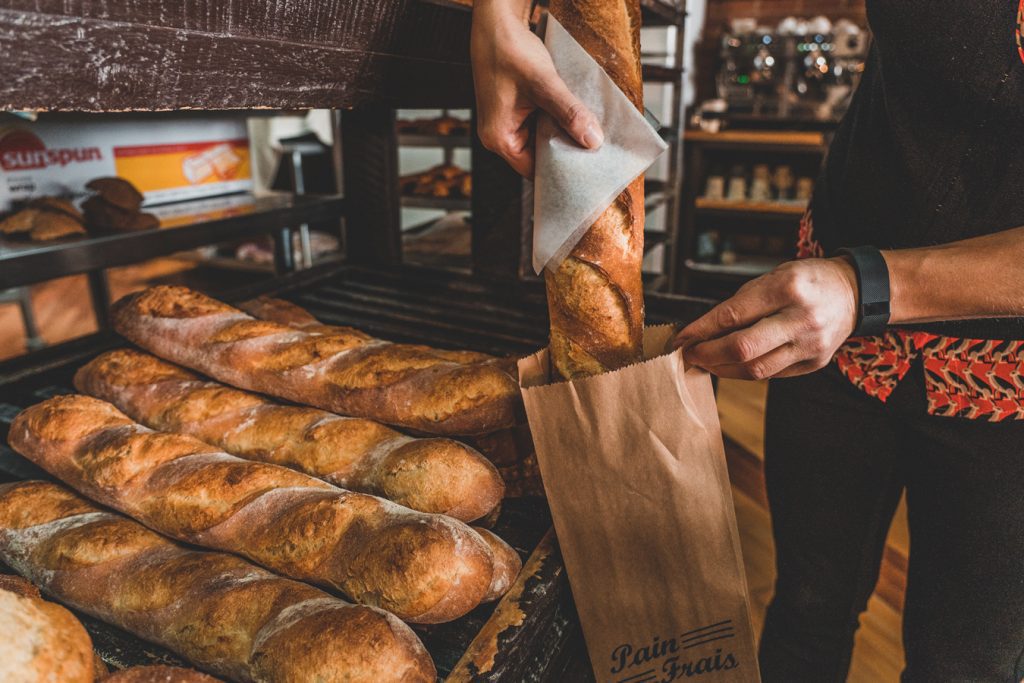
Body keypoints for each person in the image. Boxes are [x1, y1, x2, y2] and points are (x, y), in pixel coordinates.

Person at [473, 0, 1024, 680]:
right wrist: (495, 16)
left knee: (965, 664)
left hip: (1004, 386)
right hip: (832, 311)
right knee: (806, 611)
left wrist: (868, 288)